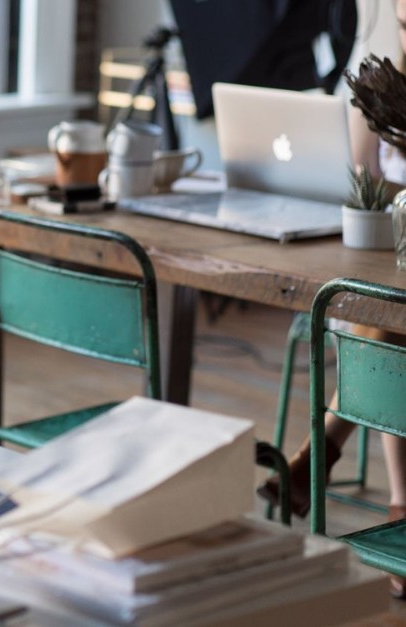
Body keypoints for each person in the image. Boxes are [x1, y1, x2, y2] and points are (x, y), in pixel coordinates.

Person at [258, 0, 406, 599]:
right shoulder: (382, 88)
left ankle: (325, 461)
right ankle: (396, 503)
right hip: (389, 261)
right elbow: (365, 187)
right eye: (401, 18)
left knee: (385, 323)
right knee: (383, 316)